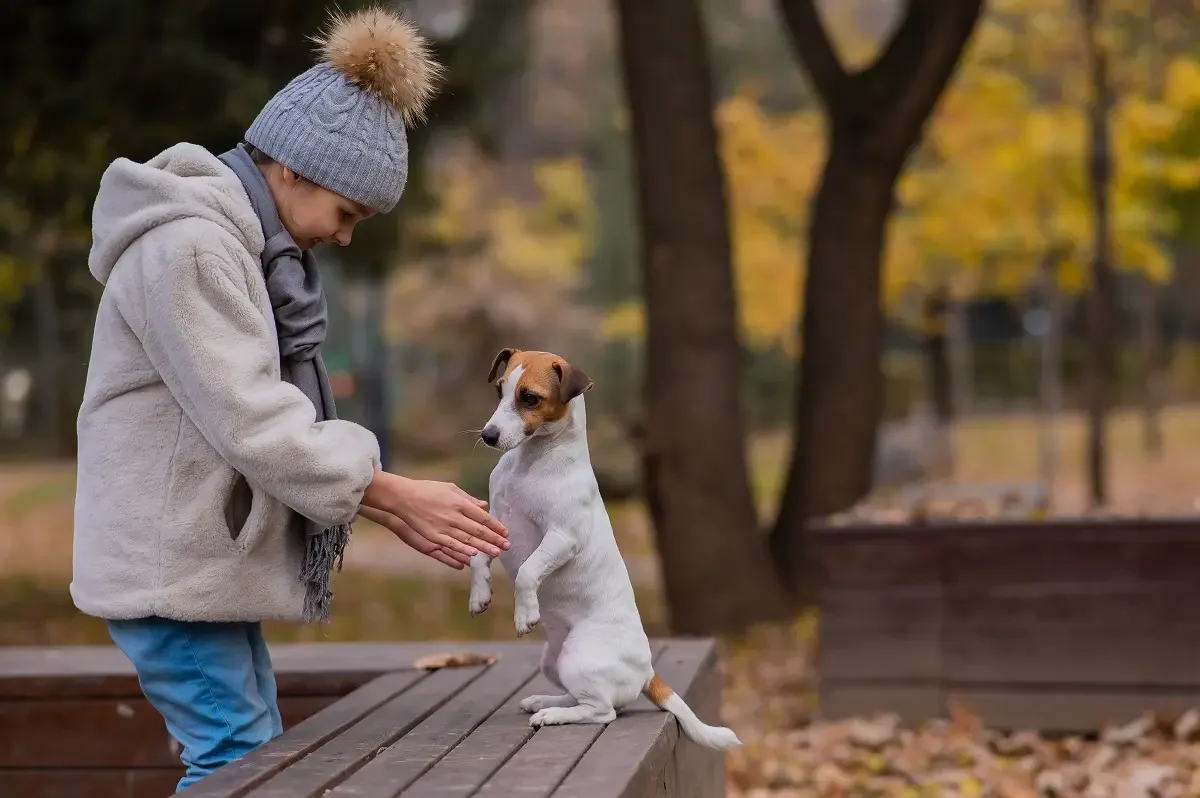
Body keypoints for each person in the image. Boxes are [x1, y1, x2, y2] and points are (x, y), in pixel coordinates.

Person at [70, 9, 507, 792]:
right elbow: (253, 419)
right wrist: (387, 491)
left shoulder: (241, 251)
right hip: (171, 569)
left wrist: (381, 497)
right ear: (294, 169)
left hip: (200, 565)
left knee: (252, 757)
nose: (344, 239)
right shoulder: (191, 247)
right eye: (348, 215)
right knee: (240, 763)